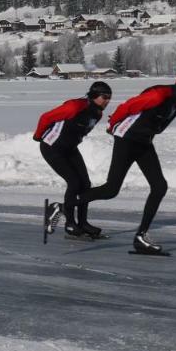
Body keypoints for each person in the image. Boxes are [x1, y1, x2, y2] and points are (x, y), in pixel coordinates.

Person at [78, 65, 176, 255]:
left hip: (144, 142)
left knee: (159, 186)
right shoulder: (159, 95)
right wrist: (112, 125)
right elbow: (127, 107)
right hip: (126, 139)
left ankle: (141, 237)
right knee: (111, 190)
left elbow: (161, 122)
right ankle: (63, 206)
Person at [35, 81, 112, 239]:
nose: (107, 101)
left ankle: (82, 223)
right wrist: (38, 136)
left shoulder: (97, 113)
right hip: (52, 148)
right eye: (104, 97)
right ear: (93, 96)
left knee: (86, 185)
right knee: (74, 183)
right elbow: (46, 117)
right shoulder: (74, 107)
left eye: (109, 98)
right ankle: (70, 223)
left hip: (70, 149)